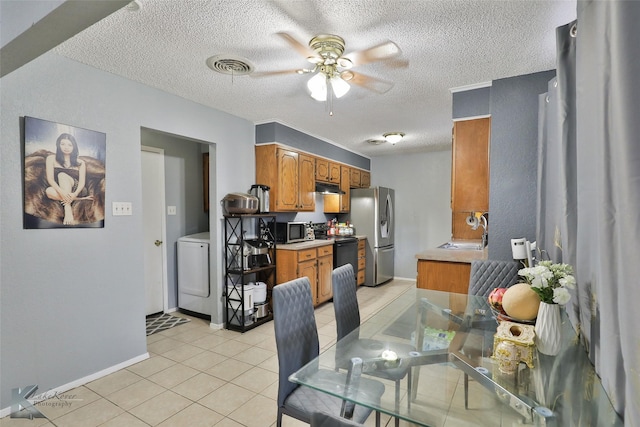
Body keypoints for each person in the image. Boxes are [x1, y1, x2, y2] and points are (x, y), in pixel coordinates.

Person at [45, 133, 93, 225]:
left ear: (74, 147)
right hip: (60, 189)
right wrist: (62, 192)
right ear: (58, 145)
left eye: (69, 145)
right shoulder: (51, 159)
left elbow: (82, 182)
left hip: (77, 189)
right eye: (63, 144)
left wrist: (74, 193)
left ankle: (67, 209)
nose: (66, 147)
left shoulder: (81, 162)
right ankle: (78, 199)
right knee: (48, 191)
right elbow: (50, 179)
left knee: (62, 175)